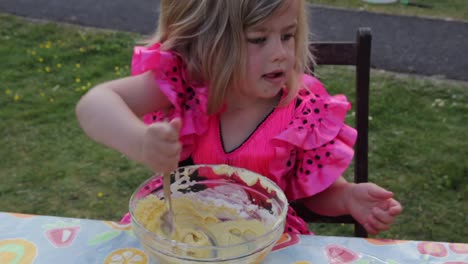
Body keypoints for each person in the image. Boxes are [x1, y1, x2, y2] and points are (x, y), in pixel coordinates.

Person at [76, 0, 402, 235]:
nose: (281, 53)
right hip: (179, 235)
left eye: (287, 35)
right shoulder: (188, 82)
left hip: (263, 244)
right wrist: (140, 143)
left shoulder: (303, 108)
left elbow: (313, 189)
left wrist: (346, 197)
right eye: (259, 39)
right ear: (204, 44)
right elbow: (93, 104)